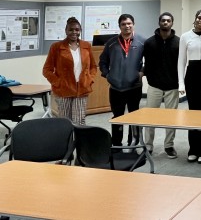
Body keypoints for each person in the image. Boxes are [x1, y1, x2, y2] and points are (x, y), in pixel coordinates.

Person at [99, 13, 145, 146]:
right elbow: (102, 61)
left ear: (133, 24)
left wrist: (142, 73)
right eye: (124, 24)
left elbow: (150, 60)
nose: (127, 26)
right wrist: (107, 75)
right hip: (115, 88)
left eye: (129, 23)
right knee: (117, 117)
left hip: (134, 87)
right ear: (119, 26)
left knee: (134, 117)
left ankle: (133, 143)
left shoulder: (142, 41)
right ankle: (116, 144)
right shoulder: (111, 43)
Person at [42, 17, 97, 125]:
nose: (74, 32)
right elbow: (46, 70)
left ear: (80, 31)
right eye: (71, 29)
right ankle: (66, 141)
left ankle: (78, 142)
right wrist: (58, 82)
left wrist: (89, 79)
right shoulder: (56, 47)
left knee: (79, 121)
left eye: (77, 30)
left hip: (82, 88)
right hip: (64, 90)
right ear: (66, 31)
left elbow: (93, 67)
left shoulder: (86, 46)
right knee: (65, 121)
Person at [177, 9, 201, 163]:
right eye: (199, 17)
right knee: (193, 113)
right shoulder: (185, 36)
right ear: (195, 18)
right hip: (192, 75)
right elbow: (181, 61)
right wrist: (181, 83)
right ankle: (194, 149)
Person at [142, 12, 180, 158]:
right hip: (154, 86)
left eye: (168, 20)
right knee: (150, 118)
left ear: (172, 23)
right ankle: (148, 146)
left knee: (171, 119)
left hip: (172, 86)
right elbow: (147, 63)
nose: (165, 22)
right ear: (159, 22)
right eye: (163, 20)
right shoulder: (149, 42)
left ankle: (169, 146)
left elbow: (181, 64)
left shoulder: (178, 42)